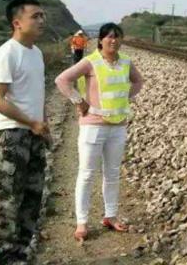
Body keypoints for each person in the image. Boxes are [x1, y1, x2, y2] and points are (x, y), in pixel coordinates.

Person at [55, 23, 143, 242]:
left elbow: (138, 81)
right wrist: (78, 101)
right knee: (86, 174)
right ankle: (82, 222)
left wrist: (126, 96)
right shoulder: (90, 62)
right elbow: (62, 80)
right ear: (101, 40)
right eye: (109, 37)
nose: (114, 40)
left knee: (112, 173)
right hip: (93, 126)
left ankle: (110, 216)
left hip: (118, 126)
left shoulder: (126, 62)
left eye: (117, 36)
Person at [0, 0, 50, 264]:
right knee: (8, 198)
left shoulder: (36, 53)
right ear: (17, 22)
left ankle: (21, 250)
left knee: (33, 194)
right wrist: (31, 122)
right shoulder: (7, 53)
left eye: (42, 16)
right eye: (35, 16)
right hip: (10, 136)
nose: (41, 20)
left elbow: (37, 94)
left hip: (33, 134)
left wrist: (43, 124)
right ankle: (3, 254)